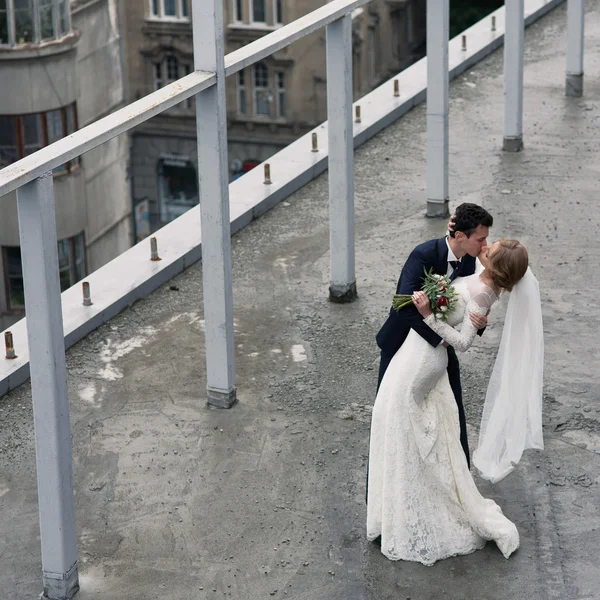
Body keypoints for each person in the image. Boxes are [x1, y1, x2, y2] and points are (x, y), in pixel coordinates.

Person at [366, 237, 544, 565]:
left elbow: (461, 343)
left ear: (496, 265)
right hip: (412, 353)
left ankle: (412, 511)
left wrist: (427, 315)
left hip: (425, 361)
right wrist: (455, 231)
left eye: (491, 249)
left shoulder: (481, 296)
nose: (486, 246)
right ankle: (395, 507)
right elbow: (464, 261)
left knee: (402, 424)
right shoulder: (483, 273)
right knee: (391, 417)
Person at [375, 203, 493, 466]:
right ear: (460, 237)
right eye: (481, 239)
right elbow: (403, 306)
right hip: (402, 344)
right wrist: (440, 338)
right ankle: (389, 480)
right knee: (390, 414)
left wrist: (481, 322)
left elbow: (471, 301)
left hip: (442, 348)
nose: (486, 245)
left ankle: (459, 476)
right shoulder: (424, 254)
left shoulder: (472, 260)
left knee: (453, 412)